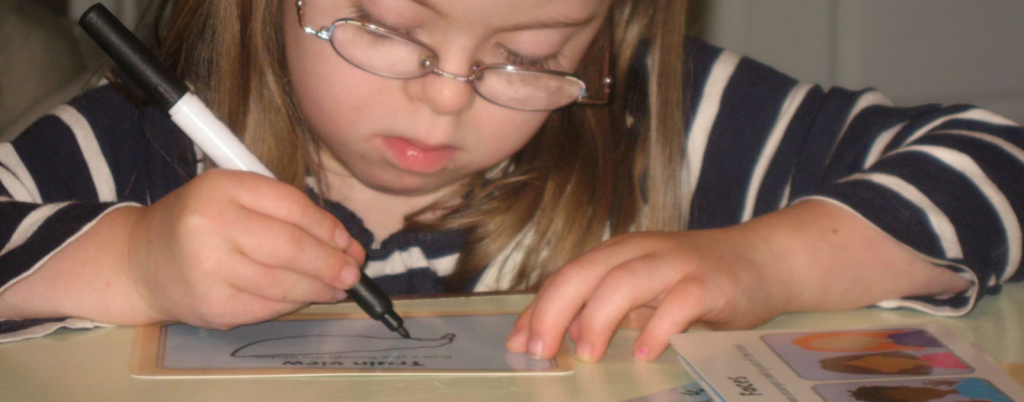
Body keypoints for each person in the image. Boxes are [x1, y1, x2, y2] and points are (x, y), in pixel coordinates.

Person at [0, 0, 1020, 365]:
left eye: (529, 51)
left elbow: (1000, 165)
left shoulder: (652, 121)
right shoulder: (133, 146)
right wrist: (131, 262)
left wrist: (765, 260)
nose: (446, 101)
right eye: (390, 31)